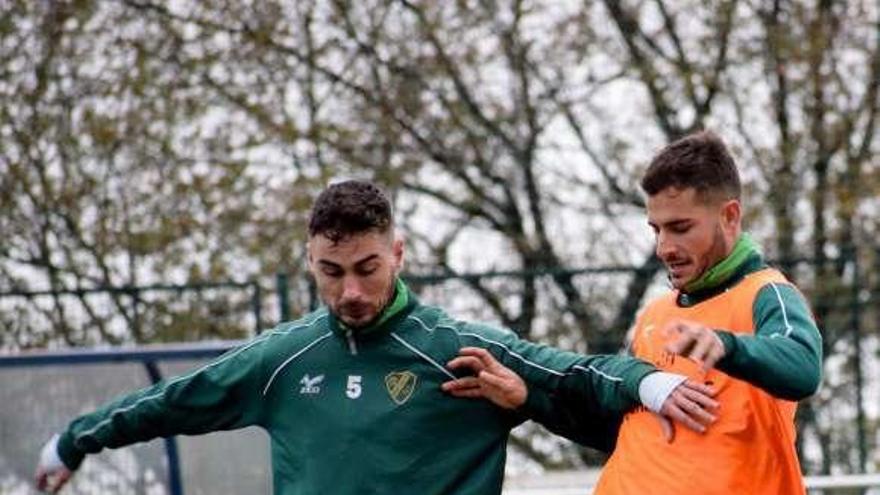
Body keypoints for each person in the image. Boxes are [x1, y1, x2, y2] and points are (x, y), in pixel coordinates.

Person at [34, 180, 717, 495]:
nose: (351, 291)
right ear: (309, 262)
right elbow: (173, 401)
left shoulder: (453, 346)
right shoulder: (283, 358)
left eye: (366, 268)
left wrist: (650, 381)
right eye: (332, 272)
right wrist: (75, 439)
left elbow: (577, 375)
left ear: (398, 253)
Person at [454, 131, 823, 494]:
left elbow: (803, 367)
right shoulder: (656, 314)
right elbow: (623, 430)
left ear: (729, 216)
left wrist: (726, 346)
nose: (664, 247)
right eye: (656, 229)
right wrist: (530, 399)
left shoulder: (766, 292)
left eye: (680, 228)